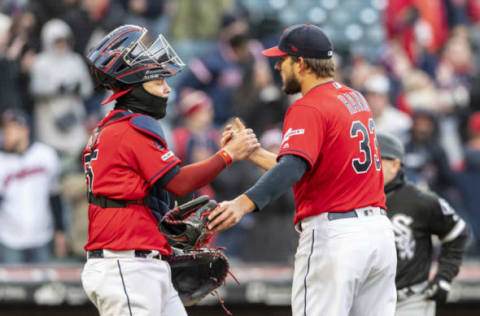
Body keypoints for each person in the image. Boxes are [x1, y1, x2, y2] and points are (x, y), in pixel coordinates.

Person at [208, 23, 397, 316]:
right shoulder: (354, 98)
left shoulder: (308, 106)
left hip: (336, 236)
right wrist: (254, 154)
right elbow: (310, 167)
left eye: (282, 60)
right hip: (378, 235)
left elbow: (293, 167)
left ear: (301, 63)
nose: (277, 66)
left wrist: (241, 204)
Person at [80, 25, 258, 316]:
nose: (167, 89)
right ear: (136, 85)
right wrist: (228, 155)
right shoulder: (129, 128)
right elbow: (180, 182)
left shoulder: (117, 126)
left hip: (140, 260)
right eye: (159, 81)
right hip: (125, 264)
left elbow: (140, 193)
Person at [377, 132, 469, 316]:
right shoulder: (355, 198)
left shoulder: (420, 200)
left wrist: (444, 276)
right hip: (369, 298)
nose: (369, 165)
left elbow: (457, 232)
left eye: (377, 160)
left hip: (410, 301)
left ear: (395, 165)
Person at [0, 108, 67, 263]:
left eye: (9, 129)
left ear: (24, 130)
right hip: (10, 239)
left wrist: (60, 231)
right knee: (12, 287)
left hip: (42, 237)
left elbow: (55, 196)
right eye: (4, 129)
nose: (5, 134)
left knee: (45, 286)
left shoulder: (45, 154)